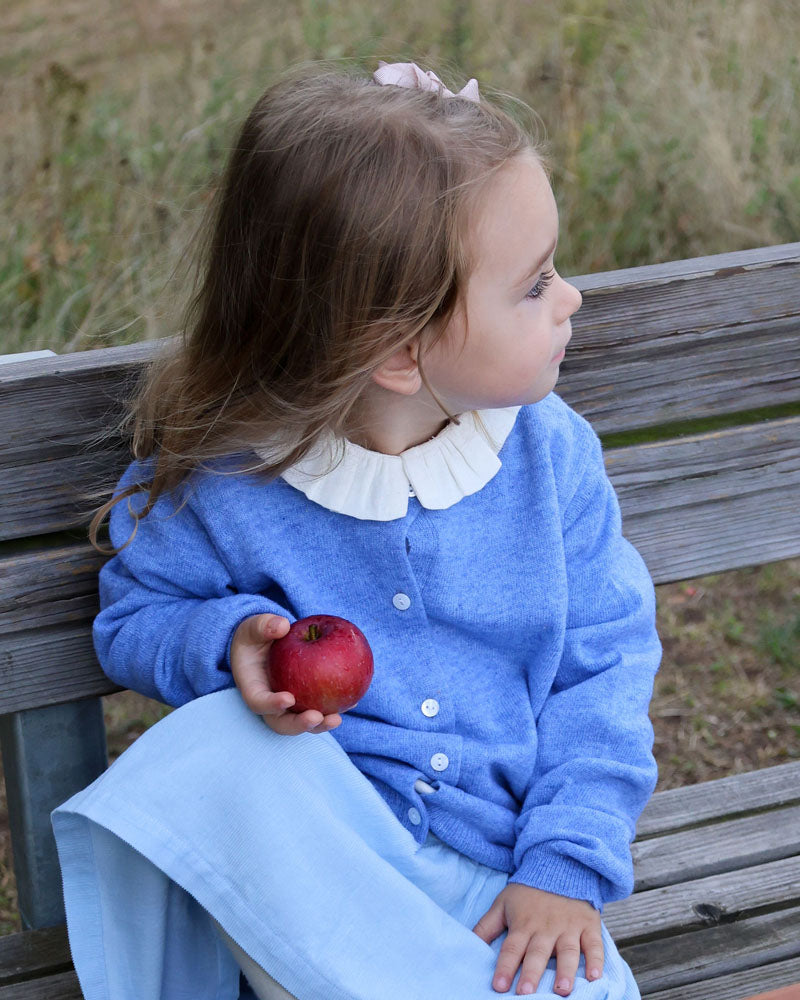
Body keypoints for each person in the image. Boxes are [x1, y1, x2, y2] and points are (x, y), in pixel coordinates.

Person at [51, 59, 662, 1000]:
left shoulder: (549, 459)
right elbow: (136, 614)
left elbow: (604, 669)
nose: (571, 298)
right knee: (208, 756)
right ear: (398, 353)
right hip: (316, 867)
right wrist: (229, 644)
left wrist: (563, 870)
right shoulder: (228, 478)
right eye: (535, 285)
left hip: (497, 880)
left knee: (549, 981)